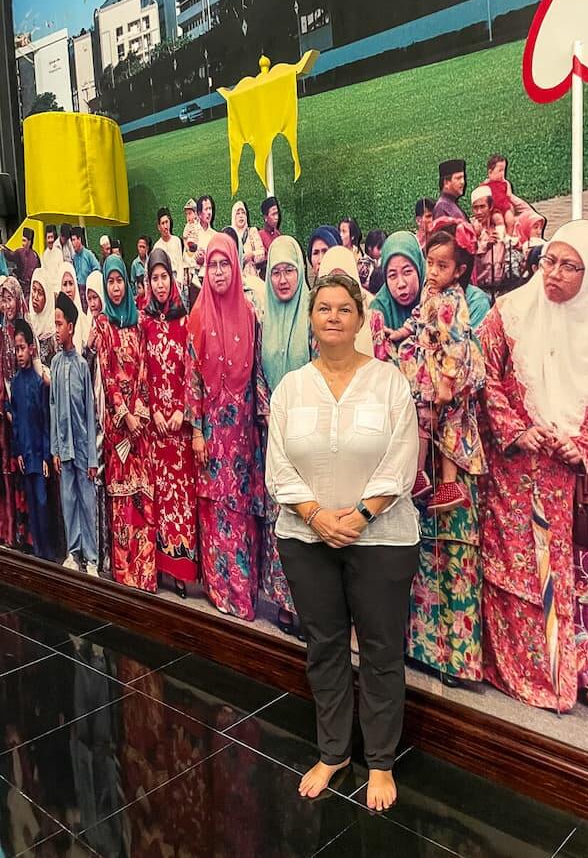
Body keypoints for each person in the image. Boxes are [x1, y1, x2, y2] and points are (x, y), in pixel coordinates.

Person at [266, 271, 420, 811]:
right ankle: (333, 751)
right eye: (323, 308)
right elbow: (278, 465)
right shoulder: (291, 388)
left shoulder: (388, 382)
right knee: (325, 648)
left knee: (380, 651)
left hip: (381, 540)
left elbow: (402, 458)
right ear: (311, 319)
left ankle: (379, 761)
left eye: (343, 308)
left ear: (360, 319)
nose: (332, 316)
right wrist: (313, 514)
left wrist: (359, 515)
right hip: (306, 539)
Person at [477, 220, 588, 712]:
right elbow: (483, 375)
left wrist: (582, 444)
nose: (553, 274)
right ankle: (510, 669)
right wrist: (518, 430)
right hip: (513, 469)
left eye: (569, 266)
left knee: (558, 577)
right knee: (512, 570)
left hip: (565, 479)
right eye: (548, 262)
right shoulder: (510, 312)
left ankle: (563, 674)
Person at [186, 234, 267, 618]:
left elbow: (257, 377)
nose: (218, 273)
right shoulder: (198, 316)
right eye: (213, 265)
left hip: (242, 435)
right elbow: (192, 380)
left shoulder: (249, 314)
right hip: (212, 432)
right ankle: (221, 591)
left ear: (235, 267)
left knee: (240, 512)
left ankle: (243, 593)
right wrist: (198, 430)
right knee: (214, 511)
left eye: (225, 265)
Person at [387, 225, 486, 512]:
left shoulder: (453, 300)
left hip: (447, 370)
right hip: (434, 365)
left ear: (458, 271)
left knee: (445, 420)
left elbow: (455, 344)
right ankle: (428, 478)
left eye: (442, 266)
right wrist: (401, 332)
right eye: (430, 263)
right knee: (427, 420)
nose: (432, 271)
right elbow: (418, 317)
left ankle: (445, 483)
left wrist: (446, 382)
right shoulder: (433, 291)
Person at [95, 254, 156, 592]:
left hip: (141, 427)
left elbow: (146, 369)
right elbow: (107, 375)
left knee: (143, 496)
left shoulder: (138, 321)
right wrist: (126, 415)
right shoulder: (104, 324)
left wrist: (141, 413)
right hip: (120, 427)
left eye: (119, 281)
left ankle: (145, 573)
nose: (115, 288)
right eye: (110, 282)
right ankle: (125, 572)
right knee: (122, 501)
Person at [261, 235, 311, 635]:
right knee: (280, 519)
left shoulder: (312, 315)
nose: (282, 280)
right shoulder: (264, 322)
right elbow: (259, 375)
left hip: (309, 436)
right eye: (275, 271)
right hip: (273, 433)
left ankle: (309, 604)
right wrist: (271, 409)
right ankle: (283, 600)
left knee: (308, 519)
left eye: (288, 271)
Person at [140, 247, 197, 599]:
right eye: (154, 278)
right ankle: (162, 566)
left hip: (178, 427)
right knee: (161, 497)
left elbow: (192, 372)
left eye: (164, 277)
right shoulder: (144, 323)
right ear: (148, 282)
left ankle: (181, 571)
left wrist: (180, 410)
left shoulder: (184, 321)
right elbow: (142, 371)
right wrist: (155, 412)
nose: (160, 284)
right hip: (157, 428)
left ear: (172, 279)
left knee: (182, 499)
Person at [50, 292, 98, 574]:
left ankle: (91, 557)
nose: (56, 330)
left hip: (82, 447)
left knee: (87, 501)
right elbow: (53, 408)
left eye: (60, 324)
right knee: (68, 501)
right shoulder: (55, 365)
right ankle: (74, 552)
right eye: (54, 324)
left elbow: (90, 415)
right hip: (64, 449)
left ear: (71, 326)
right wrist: (56, 448)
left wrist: (92, 457)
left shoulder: (81, 367)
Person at [11, 319, 51, 561]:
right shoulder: (16, 383)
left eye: (23, 348)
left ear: (31, 349)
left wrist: (46, 455)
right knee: (33, 507)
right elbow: (15, 421)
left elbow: (45, 421)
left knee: (43, 502)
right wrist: (17, 452)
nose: (19, 353)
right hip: (25, 455)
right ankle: (37, 554)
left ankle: (47, 555)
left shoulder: (39, 383)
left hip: (39, 456)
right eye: (16, 349)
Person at [85, 270, 110, 576]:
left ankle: (108, 553)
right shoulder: (86, 327)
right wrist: (89, 347)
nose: (93, 302)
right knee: (96, 480)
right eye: (89, 297)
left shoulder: (111, 324)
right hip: (94, 410)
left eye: (96, 297)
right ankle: (99, 552)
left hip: (109, 413)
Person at [0, 277, 29, 548]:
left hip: (26, 416)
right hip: (6, 415)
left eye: (9, 298)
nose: (6, 304)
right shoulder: (1, 335)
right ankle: (10, 532)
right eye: (3, 299)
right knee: (8, 473)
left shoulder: (24, 333)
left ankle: (27, 535)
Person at [318, 246, 377, 357]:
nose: (338, 285)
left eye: (345, 279)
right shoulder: (314, 317)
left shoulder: (372, 312)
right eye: (331, 279)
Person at [472, 186, 524, 297]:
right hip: (482, 288)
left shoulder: (499, 228)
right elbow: (470, 253)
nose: (479, 212)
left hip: (501, 286)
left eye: (482, 207)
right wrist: (484, 244)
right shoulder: (473, 230)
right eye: (475, 208)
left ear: (490, 207)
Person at [28, 269, 57, 383]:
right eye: (33, 290)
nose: (35, 297)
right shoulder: (28, 324)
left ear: (47, 298)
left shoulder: (54, 333)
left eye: (40, 293)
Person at [58, 262, 91, 351]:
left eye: (71, 284)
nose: (68, 289)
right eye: (65, 284)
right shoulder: (55, 319)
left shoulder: (82, 318)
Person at [2, 227, 41, 299]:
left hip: (30, 289)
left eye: (24, 241)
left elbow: (38, 273)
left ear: (29, 242)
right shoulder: (19, 252)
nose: (23, 243)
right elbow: (10, 256)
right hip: (20, 287)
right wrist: (3, 248)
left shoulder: (35, 256)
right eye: (22, 241)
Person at [231, 201, 265, 278]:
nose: (241, 216)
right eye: (238, 213)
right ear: (233, 216)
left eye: (243, 213)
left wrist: (252, 254)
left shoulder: (252, 232)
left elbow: (262, 253)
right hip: (235, 276)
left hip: (251, 275)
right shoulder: (230, 234)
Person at [69, 227, 100, 309]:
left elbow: (97, 269)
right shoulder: (74, 257)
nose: (72, 243)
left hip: (88, 289)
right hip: (78, 290)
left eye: (74, 240)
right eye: (71, 241)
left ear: (79, 239)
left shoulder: (88, 255)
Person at [154, 207, 184, 291]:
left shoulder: (176, 240)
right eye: (162, 223)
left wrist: (179, 281)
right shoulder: (157, 246)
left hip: (177, 279)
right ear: (159, 227)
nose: (165, 226)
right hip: (164, 281)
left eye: (167, 222)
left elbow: (180, 262)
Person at [193, 195, 218, 289]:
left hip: (213, 278)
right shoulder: (192, 232)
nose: (209, 212)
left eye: (210, 209)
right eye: (206, 209)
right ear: (199, 214)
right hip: (197, 280)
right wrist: (197, 261)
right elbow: (187, 258)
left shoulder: (215, 235)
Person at [259, 197, 282, 272]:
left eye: (277, 214)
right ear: (265, 217)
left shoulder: (278, 234)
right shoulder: (259, 236)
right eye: (273, 214)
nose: (276, 218)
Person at [182, 198, 200, 288]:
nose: (188, 217)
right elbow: (184, 238)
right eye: (187, 214)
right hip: (188, 253)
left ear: (196, 213)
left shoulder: (198, 226)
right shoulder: (187, 226)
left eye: (190, 214)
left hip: (196, 256)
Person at [41, 226, 63, 290]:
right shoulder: (44, 255)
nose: (50, 240)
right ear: (46, 239)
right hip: (48, 288)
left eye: (51, 237)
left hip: (58, 287)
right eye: (48, 237)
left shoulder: (59, 252)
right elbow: (44, 273)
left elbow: (61, 271)